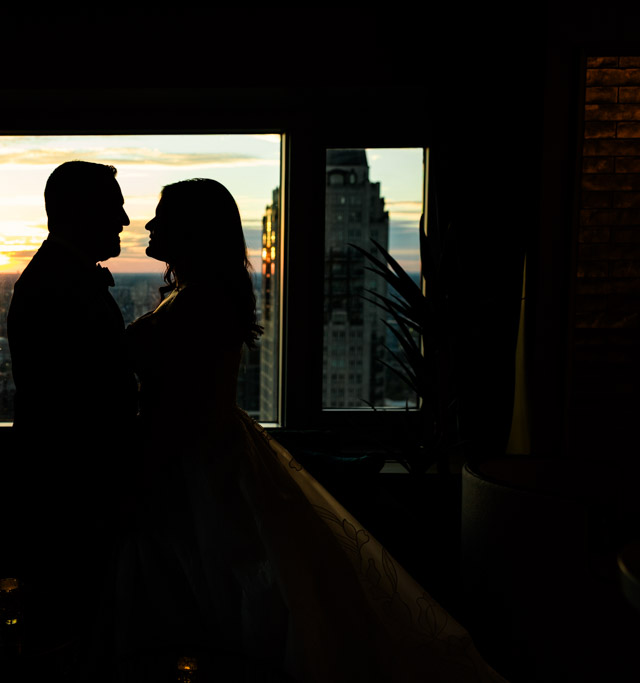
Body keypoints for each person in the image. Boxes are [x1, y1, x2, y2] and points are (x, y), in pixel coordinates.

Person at [113, 178, 505, 682]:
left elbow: (177, 410)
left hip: (196, 468)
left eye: (162, 216)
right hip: (211, 458)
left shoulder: (198, 303)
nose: (148, 224)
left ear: (192, 230)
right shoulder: (198, 295)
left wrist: (142, 481)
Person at [5, 160, 139, 601]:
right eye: (115, 208)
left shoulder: (59, 276)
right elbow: (84, 408)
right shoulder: (59, 286)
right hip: (73, 497)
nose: (124, 220)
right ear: (83, 212)